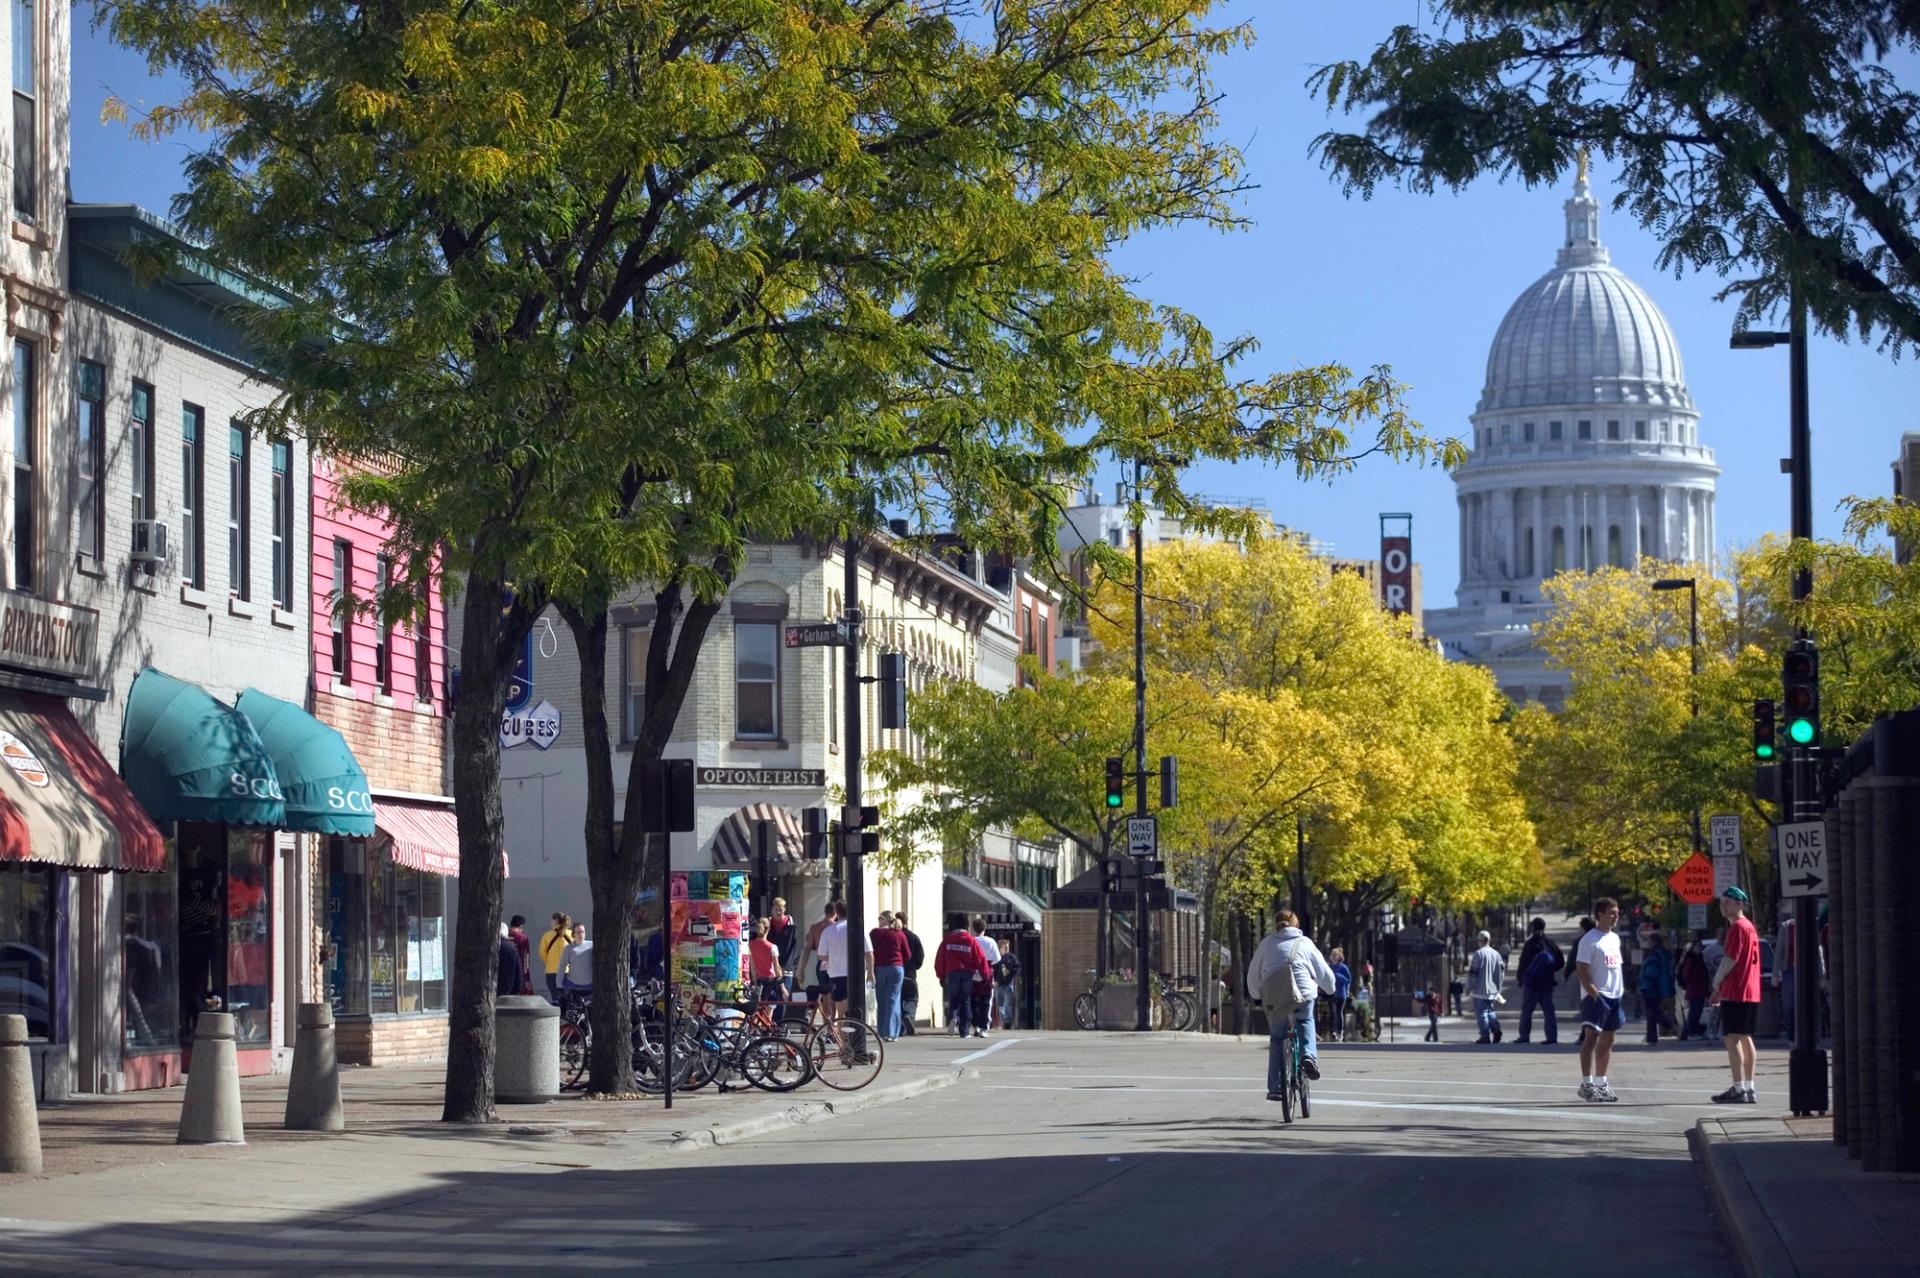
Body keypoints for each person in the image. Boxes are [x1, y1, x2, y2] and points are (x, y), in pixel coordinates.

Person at [1246, 908, 1336, 1098]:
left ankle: (1276, 1088)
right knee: (1305, 1021)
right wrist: (1330, 989)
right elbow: (1324, 974)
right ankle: (1308, 1055)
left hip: (1275, 997)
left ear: (1276, 926)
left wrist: (1256, 994)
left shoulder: (1266, 944)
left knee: (1278, 1037)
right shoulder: (1305, 943)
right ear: (1297, 925)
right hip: (1303, 993)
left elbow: (1253, 976)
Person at [1710, 885, 1762, 1103]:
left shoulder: (1737, 928)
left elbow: (1730, 959)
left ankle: (1739, 1087)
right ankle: (1748, 1087)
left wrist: (1717, 982)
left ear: (1740, 904)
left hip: (1737, 989)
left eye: (1728, 902)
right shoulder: (1749, 927)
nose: (1724, 906)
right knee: (1745, 1036)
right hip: (1751, 989)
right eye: (1722, 902)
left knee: (1731, 1038)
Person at [1575, 898, 1625, 1102]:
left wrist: (1621, 991)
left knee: (1609, 1040)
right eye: (1612, 913)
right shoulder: (1589, 940)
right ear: (1600, 915)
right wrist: (1595, 994)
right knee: (1591, 1038)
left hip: (1615, 995)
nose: (1616, 916)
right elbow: (1582, 971)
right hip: (1596, 996)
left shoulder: (1614, 938)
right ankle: (1587, 1084)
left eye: (1617, 912)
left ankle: (1601, 1082)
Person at [934, 912, 991, 1038]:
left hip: (952, 972)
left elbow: (940, 959)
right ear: (966, 925)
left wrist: (941, 976)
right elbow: (980, 958)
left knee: (954, 998)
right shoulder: (970, 940)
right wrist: (985, 974)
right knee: (965, 1000)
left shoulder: (948, 939)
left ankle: (953, 1018)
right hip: (967, 973)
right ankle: (964, 1031)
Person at [819, 900, 872, 1022]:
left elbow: (821, 955)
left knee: (841, 1013)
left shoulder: (829, 930)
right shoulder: (860, 928)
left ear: (836, 912)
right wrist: (870, 972)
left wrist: (834, 956)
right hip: (856, 974)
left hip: (837, 973)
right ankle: (855, 1036)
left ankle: (844, 1040)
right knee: (856, 1010)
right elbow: (869, 952)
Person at [1515, 917, 1563, 1044]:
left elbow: (1523, 962)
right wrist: (1550, 970)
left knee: (1527, 1010)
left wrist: (1520, 977)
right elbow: (1561, 962)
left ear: (1533, 927)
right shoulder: (1550, 943)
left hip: (1532, 983)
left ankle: (1524, 1036)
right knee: (1549, 1012)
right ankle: (1551, 1037)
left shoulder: (1531, 943)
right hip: (1547, 984)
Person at [870, 909, 912, 1041]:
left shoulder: (874, 933)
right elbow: (907, 954)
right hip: (896, 968)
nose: (878, 920)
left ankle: (882, 1031)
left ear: (885, 920)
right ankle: (891, 1032)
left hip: (879, 968)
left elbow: (869, 950)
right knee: (893, 999)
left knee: (881, 999)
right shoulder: (899, 934)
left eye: (880, 918)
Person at [1465, 930, 1505, 1044]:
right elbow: (1501, 973)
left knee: (1481, 1013)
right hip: (1492, 990)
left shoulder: (1478, 954)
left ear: (1480, 941)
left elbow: (1473, 973)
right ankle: (1496, 1028)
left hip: (1480, 990)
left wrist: (1468, 988)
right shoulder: (1496, 954)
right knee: (1490, 1011)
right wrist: (1498, 988)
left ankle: (1485, 1035)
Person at [1639, 929, 1676, 1044]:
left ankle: (1670, 1025)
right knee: (1651, 1014)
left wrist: (1644, 987)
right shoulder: (1664, 953)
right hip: (1661, 988)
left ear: (1654, 942)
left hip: (1652, 989)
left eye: (1649, 941)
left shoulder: (1655, 955)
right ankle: (1651, 1037)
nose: (1648, 943)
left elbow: (1651, 973)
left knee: (1653, 1012)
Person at [969, 917, 1000, 1038]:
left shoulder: (971, 941)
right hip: (986, 972)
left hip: (973, 972)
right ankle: (983, 1027)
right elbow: (997, 959)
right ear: (984, 928)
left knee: (973, 1000)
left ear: (973, 929)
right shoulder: (990, 941)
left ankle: (975, 1026)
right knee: (986, 1001)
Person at [1677, 934, 1711, 1041]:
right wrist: (1696, 981)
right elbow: (1687, 975)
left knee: (1697, 1011)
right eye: (1697, 946)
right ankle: (1691, 1032)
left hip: (1700, 989)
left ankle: (1693, 1031)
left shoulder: (1700, 959)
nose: (1699, 948)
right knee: (1694, 1012)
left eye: (1700, 947)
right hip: (1694, 989)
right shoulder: (1691, 959)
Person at [897, 912, 925, 1035]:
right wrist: (915, 966)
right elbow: (920, 956)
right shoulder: (913, 937)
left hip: (896, 972)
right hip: (909, 973)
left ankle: (901, 1026)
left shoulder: (894, 935)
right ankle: (909, 1016)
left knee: (898, 1000)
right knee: (912, 998)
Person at [767, 898, 800, 998]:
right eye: (776, 909)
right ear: (772, 909)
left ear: (784, 909)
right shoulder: (768, 924)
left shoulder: (790, 925)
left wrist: (786, 965)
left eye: (780, 909)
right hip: (771, 968)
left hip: (786, 969)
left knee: (784, 997)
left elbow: (794, 947)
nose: (778, 912)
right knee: (772, 999)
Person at [748, 917, 785, 1004]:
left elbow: (752, 966)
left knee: (757, 1011)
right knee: (768, 1014)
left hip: (757, 982)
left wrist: (754, 981)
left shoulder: (750, 945)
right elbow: (777, 968)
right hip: (770, 983)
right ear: (768, 929)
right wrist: (783, 988)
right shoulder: (772, 947)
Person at [539, 913, 570, 1003]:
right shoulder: (571, 934)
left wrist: (549, 962)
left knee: (555, 997)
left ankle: (558, 1014)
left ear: (555, 921)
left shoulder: (547, 935)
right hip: (568, 971)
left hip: (551, 970)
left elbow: (542, 953)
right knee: (567, 997)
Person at [992, 937, 1022, 1030]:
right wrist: (994, 980)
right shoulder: (996, 957)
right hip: (998, 985)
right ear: (1000, 948)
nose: (1007, 949)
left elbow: (1017, 967)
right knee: (1000, 1004)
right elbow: (992, 970)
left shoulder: (1011, 957)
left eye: (1008, 947)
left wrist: (1010, 973)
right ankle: (1003, 1021)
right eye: (1005, 947)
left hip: (1008, 984)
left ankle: (1007, 1022)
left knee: (1007, 1004)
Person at [560, 922, 593, 1002]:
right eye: (578, 932)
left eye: (582, 932)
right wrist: (559, 984)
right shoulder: (568, 948)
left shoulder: (591, 945)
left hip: (589, 984)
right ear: (574, 934)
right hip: (572, 984)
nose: (580, 934)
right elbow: (562, 967)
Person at [1327, 948, 1352, 1043]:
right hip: (1331, 992)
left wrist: (1338, 976)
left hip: (1341, 994)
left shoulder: (1343, 968)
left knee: (1338, 1012)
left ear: (1339, 957)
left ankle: (1340, 1032)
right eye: (1332, 955)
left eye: (1334, 955)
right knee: (1332, 1013)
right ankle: (1332, 1031)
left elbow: (1348, 980)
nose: (1332, 957)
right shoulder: (1328, 967)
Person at [1563, 918, 1595, 986]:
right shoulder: (1603, 938)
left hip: (1586, 974)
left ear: (1583, 927)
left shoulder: (1580, 941)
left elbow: (1572, 959)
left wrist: (1567, 974)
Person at [507, 915, 534, 995]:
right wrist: (527, 979)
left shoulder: (503, 936)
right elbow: (526, 959)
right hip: (517, 974)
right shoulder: (522, 938)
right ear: (521, 926)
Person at [497, 922, 524, 996]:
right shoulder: (512, 948)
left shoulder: (488, 946)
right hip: (507, 991)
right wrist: (517, 990)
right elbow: (518, 971)